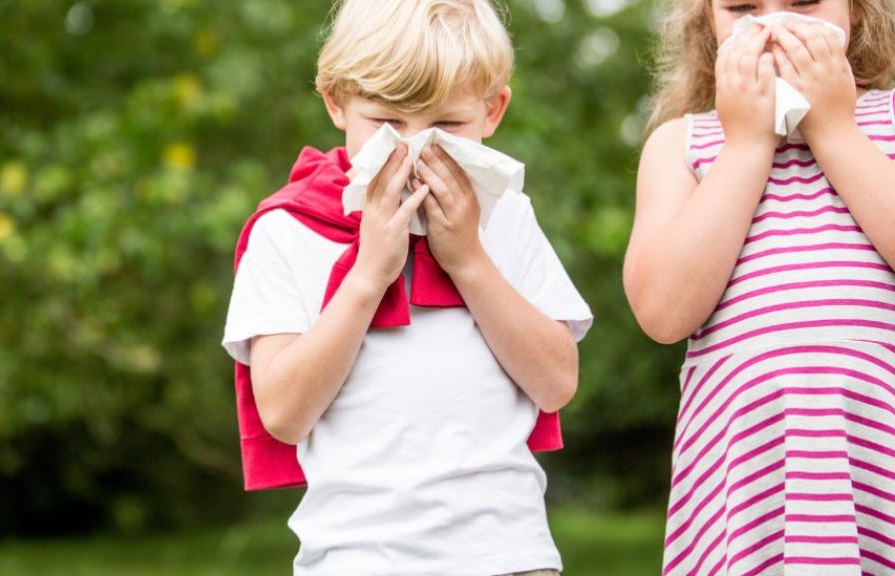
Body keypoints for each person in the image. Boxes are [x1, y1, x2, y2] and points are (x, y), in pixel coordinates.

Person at [221, 1, 593, 574]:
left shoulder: (507, 218)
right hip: (355, 557)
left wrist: (468, 258)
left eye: (446, 126)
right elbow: (286, 414)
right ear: (336, 101)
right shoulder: (287, 231)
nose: (415, 148)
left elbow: (556, 382)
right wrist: (370, 273)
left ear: (493, 110)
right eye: (388, 123)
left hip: (507, 554)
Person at [625, 0, 895, 572]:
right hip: (752, 480)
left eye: (803, 3)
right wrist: (747, 143)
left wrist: (836, 130)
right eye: (743, 8)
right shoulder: (682, 144)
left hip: (877, 457)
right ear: (708, 24)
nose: (773, 26)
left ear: (858, 11)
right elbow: (663, 312)